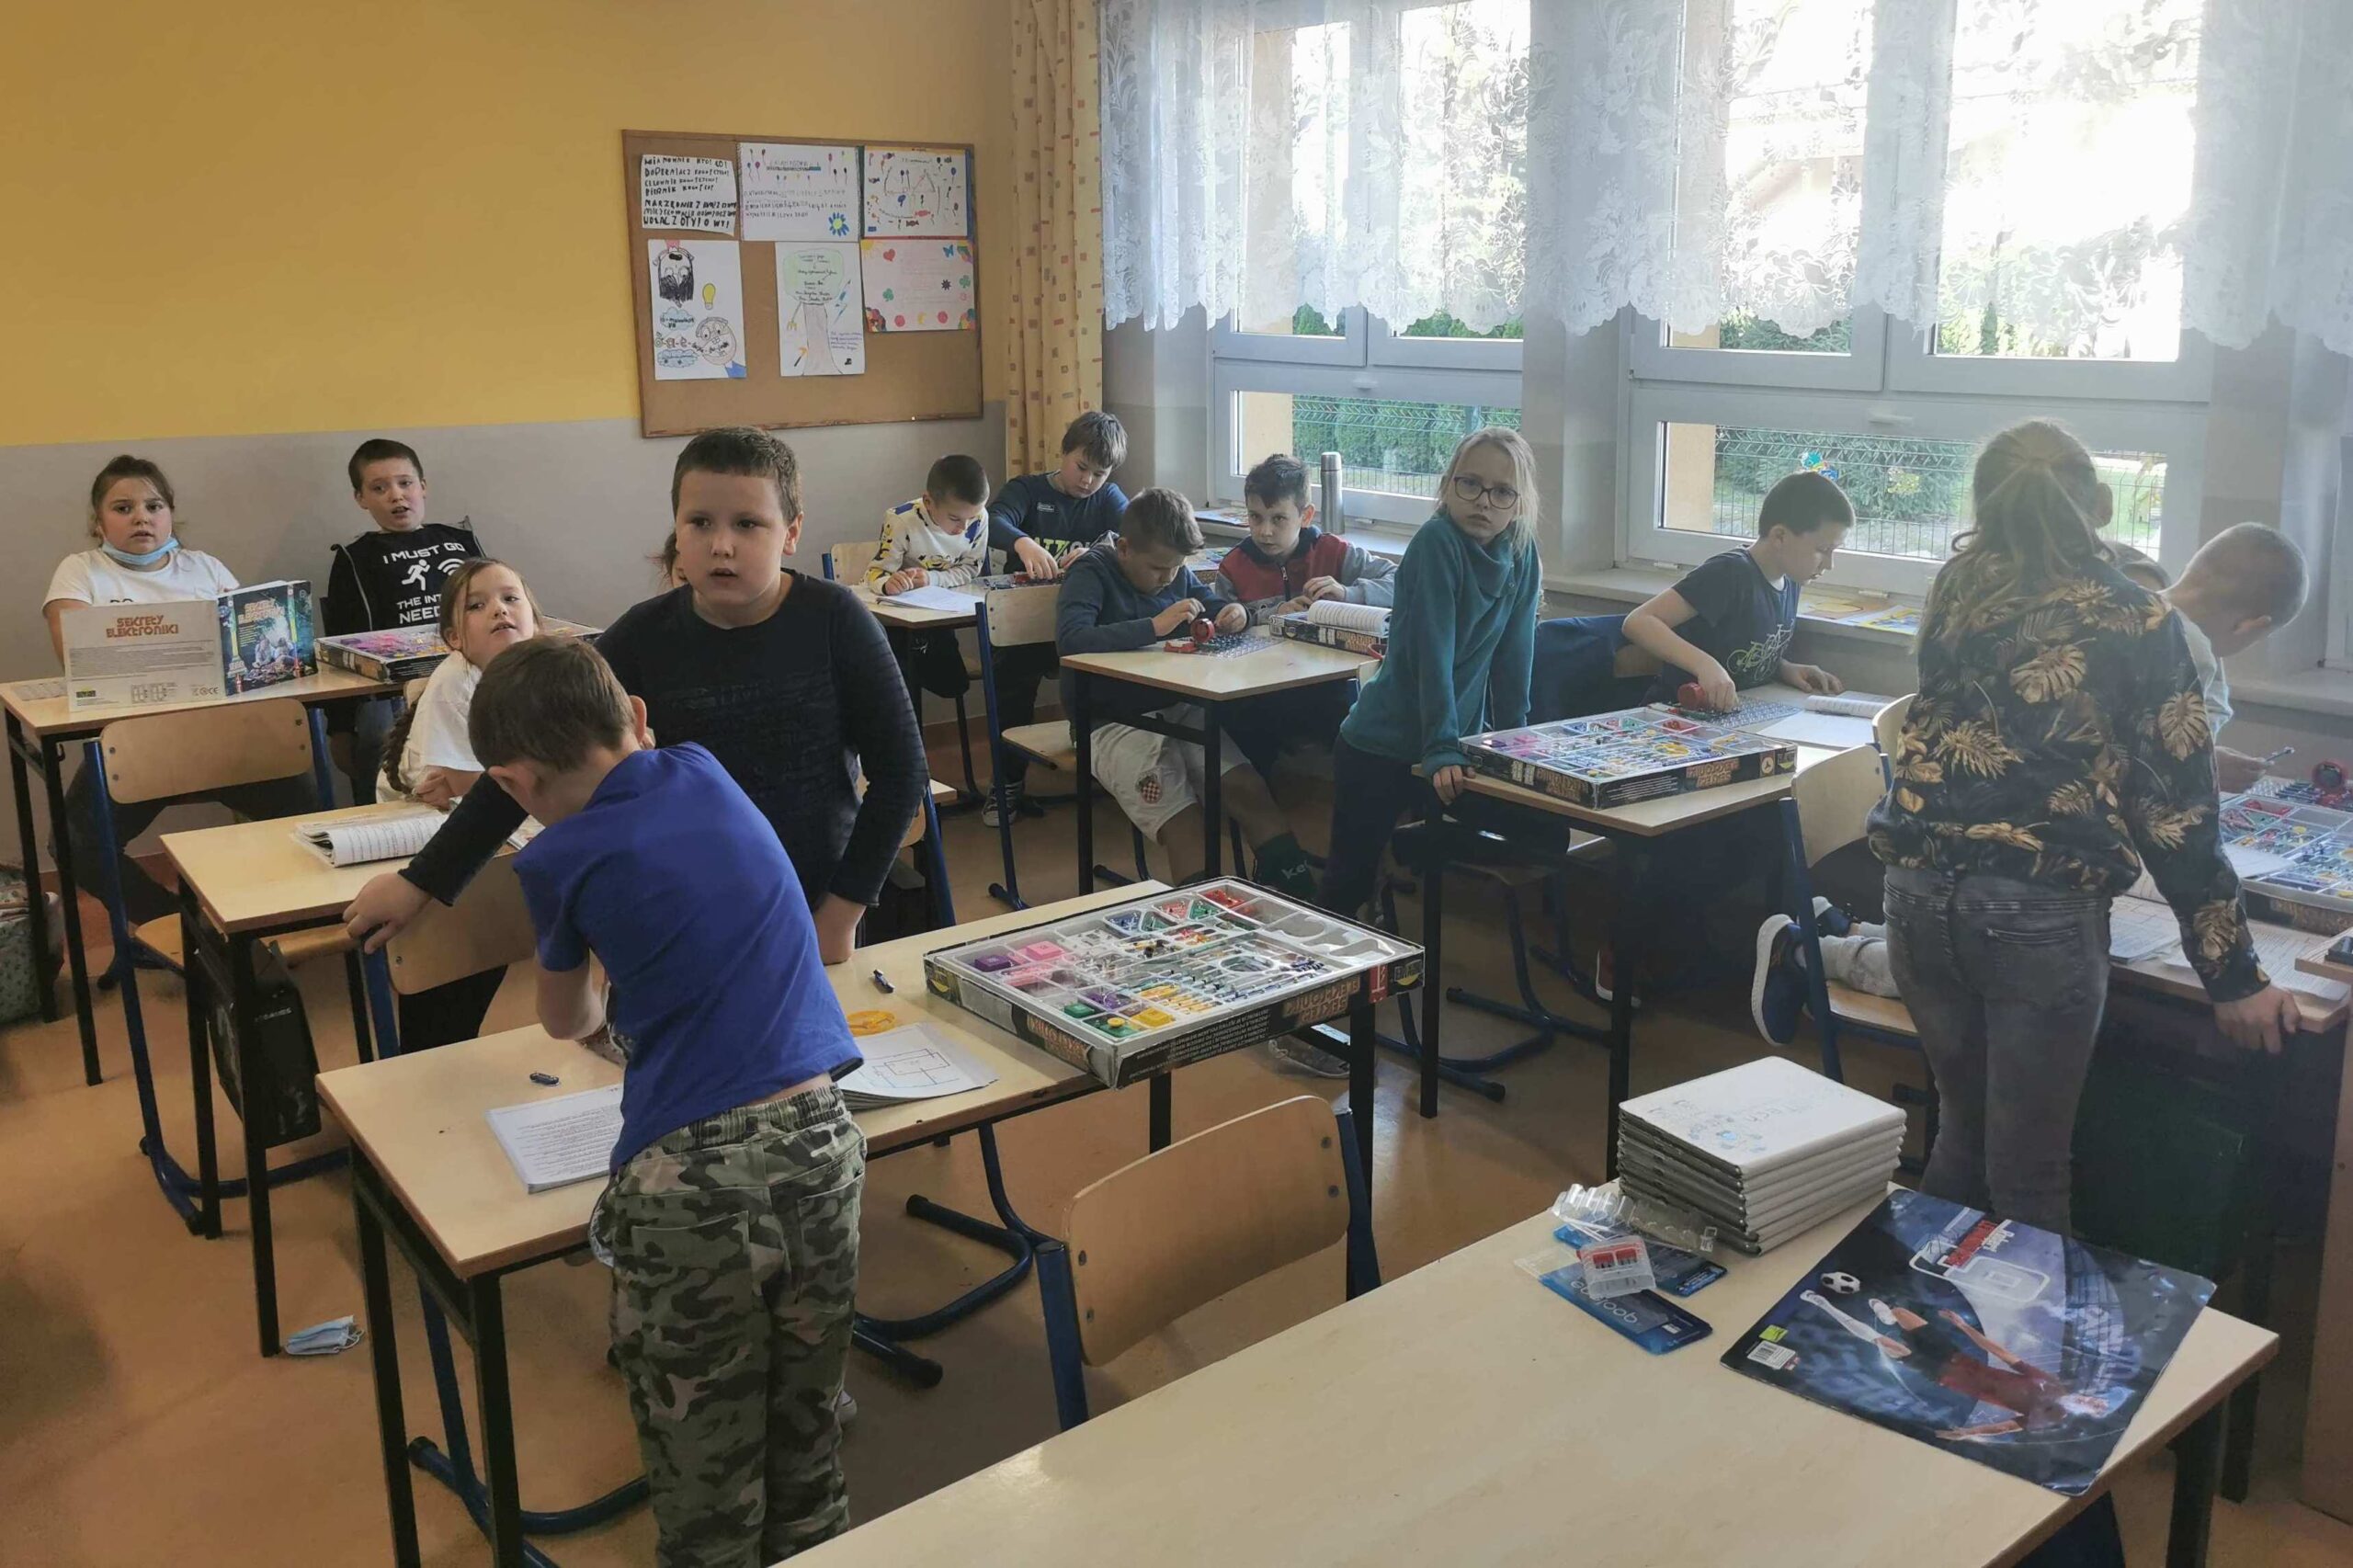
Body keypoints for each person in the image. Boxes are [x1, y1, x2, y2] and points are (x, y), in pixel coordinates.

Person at [475, 636, 864, 1565]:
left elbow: (566, 1017)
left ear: (513, 782)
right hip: (825, 1142)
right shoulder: (704, 768)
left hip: (692, 1186)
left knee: (707, 1483)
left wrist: (605, 1002)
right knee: (809, 1434)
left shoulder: (554, 858)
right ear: (639, 718)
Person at [1864, 420, 2300, 1234]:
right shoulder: (2139, 620)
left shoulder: (1958, 588)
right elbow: (2176, 815)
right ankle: (2025, 1326)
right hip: (2034, 913)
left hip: (1915, 892)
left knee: (1961, 1134)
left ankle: (1920, 1310)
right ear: (2096, 506)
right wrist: (2234, 977)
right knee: (2029, 1173)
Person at [342, 427, 926, 967]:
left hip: (812, 903)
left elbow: (901, 774)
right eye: (700, 523)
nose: (721, 546)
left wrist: (841, 914)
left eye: (748, 524)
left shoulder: (835, 621)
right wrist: (421, 881)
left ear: (791, 533)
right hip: (677, 907)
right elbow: (531, 761)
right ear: (677, 529)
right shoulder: (642, 637)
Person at [1753, 524, 2309, 1037]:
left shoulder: (2065, 607)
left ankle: (1835, 928)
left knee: (1960, 954)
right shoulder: (2172, 644)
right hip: (2012, 882)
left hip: (1946, 864)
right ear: (2252, 625)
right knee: (1985, 971)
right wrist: (2234, 977)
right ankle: (1807, 950)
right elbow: (2165, 809)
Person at [43, 456, 313, 926]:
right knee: (72, 844)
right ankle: (181, 929)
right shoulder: (81, 570)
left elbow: (247, 646)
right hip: (136, 748)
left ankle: (280, 924)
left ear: (170, 513)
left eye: (154, 506)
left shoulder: (204, 567)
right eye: (123, 508)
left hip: (226, 740)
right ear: (98, 521)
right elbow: (76, 658)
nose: (141, 517)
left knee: (315, 817)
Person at [1318, 426, 1543, 923]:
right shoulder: (1436, 542)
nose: (1483, 501)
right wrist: (1441, 745)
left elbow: (1515, 657)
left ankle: (1409, 845)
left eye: (1502, 492)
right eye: (1470, 483)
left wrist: (1514, 743)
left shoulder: (1522, 553)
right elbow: (1432, 653)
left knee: (1545, 834)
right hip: (1382, 745)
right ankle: (1325, 971)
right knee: (1345, 891)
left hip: (1454, 749)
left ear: (1520, 503)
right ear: (1447, 485)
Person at [1056, 489, 1319, 898]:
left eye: (1176, 567)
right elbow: (1071, 640)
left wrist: (1234, 615)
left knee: (1249, 789)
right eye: (1158, 568)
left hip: (1177, 708)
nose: (1168, 578)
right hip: (1110, 722)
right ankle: (1205, 920)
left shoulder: (1175, 571)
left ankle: (1301, 900)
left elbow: (1210, 604)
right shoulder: (1092, 571)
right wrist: (1154, 627)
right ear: (1124, 549)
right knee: (1186, 821)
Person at [982, 411, 1131, 824]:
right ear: (1062, 452)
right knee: (1012, 688)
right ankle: (1006, 782)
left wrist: (1100, 551)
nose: (1087, 481)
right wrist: (1024, 543)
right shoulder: (1028, 490)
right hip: (1024, 630)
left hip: (1080, 626)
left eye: (1099, 473)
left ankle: (1109, 768)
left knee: (1113, 678)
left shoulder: (1109, 498)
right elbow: (990, 521)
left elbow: (1135, 536)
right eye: (1081, 467)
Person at [324, 439, 483, 803]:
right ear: (361, 499)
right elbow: (341, 640)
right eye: (379, 488)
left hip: (470, 673)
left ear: (422, 486)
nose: (396, 496)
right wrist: (340, 727)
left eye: (405, 483)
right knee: (379, 736)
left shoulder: (459, 541)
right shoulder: (356, 557)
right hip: (393, 689)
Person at [1620, 470, 1851, 710]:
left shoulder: (1791, 579)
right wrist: (1705, 665)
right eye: (1823, 550)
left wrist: (1784, 668)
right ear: (1780, 536)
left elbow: (1741, 651)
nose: (1829, 564)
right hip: (1677, 712)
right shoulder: (1729, 573)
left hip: (1733, 714)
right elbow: (1638, 621)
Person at [2165, 521, 2308, 791]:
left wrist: (2204, 757)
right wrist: (2203, 767)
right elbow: (2149, 767)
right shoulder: (2191, 651)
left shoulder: (2133, 607)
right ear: (2251, 627)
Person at [869, 454, 992, 744]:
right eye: (955, 519)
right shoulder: (900, 520)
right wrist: (889, 583)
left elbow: (970, 569)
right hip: (899, 624)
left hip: (939, 618)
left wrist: (932, 578)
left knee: (952, 682)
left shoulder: (979, 518)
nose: (963, 528)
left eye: (971, 518)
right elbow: (876, 574)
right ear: (928, 502)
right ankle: (908, 744)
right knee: (900, 680)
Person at [1216, 452, 1397, 620]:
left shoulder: (1334, 553)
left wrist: (1348, 594)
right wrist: (1274, 614)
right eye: (1256, 517)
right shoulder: (1233, 568)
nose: (1265, 531)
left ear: (1306, 516)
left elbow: (1403, 583)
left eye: (1278, 518)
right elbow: (1220, 624)